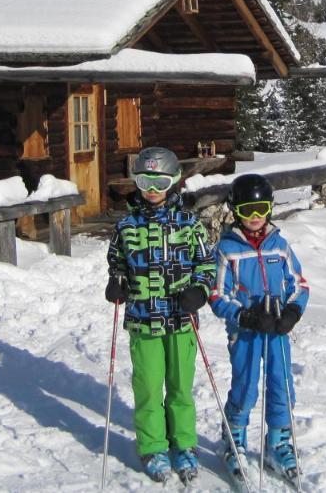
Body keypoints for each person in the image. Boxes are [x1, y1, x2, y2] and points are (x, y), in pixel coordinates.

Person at [105, 146, 216, 483]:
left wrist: (199, 290)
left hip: (181, 320)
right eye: (144, 181)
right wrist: (117, 281)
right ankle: (153, 445)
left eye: (160, 182)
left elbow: (207, 263)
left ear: (175, 181)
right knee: (149, 387)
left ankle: (183, 444)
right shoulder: (127, 225)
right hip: (143, 319)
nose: (152, 190)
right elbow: (117, 260)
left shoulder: (189, 223)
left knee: (181, 387)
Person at [209, 173, 310, 483]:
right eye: (246, 211)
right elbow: (217, 295)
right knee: (246, 384)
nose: (254, 218)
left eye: (261, 209)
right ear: (234, 211)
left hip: (278, 326)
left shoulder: (279, 245)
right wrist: (245, 316)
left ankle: (278, 442)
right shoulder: (227, 249)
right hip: (247, 330)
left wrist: (292, 311)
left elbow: (299, 283)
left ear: (270, 208)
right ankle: (234, 439)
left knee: (282, 383)